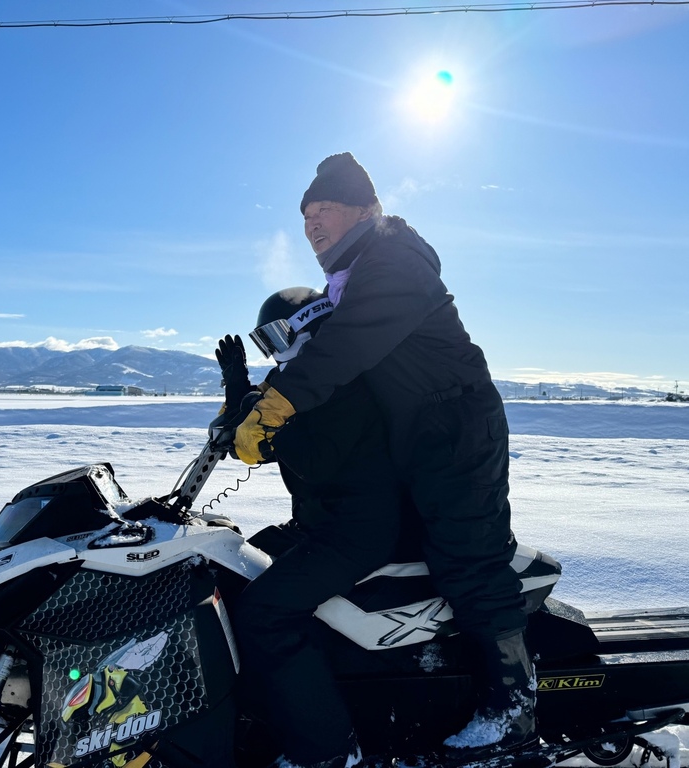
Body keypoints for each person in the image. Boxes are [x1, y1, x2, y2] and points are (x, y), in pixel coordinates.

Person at [233, 153, 535, 756]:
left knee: (466, 557)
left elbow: (343, 348)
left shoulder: (393, 260)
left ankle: (513, 707)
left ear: (367, 210)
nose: (314, 224)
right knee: (420, 556)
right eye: (307, 216)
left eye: (327, 210)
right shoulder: (350, 275)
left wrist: (276, 406)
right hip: (414, 433)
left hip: (454, 427)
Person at [217, 287, 412, 768]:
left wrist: (268, 435)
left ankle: (326, 749)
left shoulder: (343, 380)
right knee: (233, 571)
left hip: (359, 531)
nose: (274, 351)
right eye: (265, 342)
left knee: (265, 612)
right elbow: (244, 428)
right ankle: (258, 708)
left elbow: (313, 459)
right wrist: (236, 383)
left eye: (276, 336)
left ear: (308, 325)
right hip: (321, 524)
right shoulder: (301, 378)